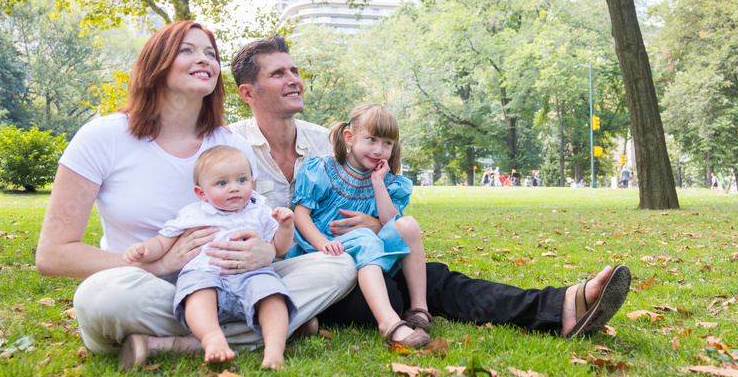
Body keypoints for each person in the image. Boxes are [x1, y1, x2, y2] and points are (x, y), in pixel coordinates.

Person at [228, 35, 631, 339]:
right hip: (293, 270)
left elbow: (370, 202)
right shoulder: (229, 146)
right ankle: (334, 317)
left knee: (433, 278)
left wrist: (372, 223)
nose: (294, 79)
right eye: (278, 73)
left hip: (354, 257)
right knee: (389, 294)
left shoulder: (324, 142)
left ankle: (560, 306)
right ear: (248, 92)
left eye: (295, 70)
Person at [36, 22, 356, 370]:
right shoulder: (104, 136)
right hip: (146, 287)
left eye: (210, 53)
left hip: (235, 284)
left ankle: (173, 344)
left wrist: (265, 251)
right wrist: (158, 264)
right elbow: (53, 255)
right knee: (99, 298)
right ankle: (273, 328)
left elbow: (258, 220)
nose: (203, 59)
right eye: (186, 50)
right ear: (155, 63)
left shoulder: (230, 144)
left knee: (338, 265)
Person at [123, 146, 297, 368]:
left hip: (251, 273)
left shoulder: (260, 211)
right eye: (222, 183)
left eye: (241, 180)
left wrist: (285, 226)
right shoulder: (193, 213)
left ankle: (274, 350)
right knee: (197, 293)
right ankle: (212, 337)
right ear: (201, 193)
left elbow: (278, 248)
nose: (234, 188)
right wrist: (143, 251)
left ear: (252, 183)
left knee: (273, 296)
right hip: (204, 273)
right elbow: (161, 241)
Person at [289, 104, 432, 349]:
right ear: (350, 137)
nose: (379, 150)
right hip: (326, 245)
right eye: (371, 139)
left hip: (366, 245)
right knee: (366, 238)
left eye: (387, 143)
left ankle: (419, 309)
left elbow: (391, 223)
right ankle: (388, 324)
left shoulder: (388, 180)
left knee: (408, 224)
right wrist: (322, 243)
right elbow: (300, 214)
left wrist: (378, 182)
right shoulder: (323, 169)